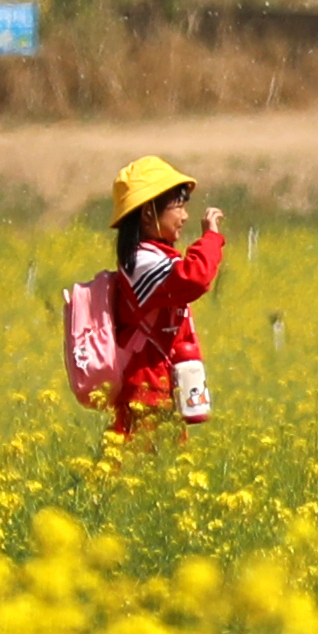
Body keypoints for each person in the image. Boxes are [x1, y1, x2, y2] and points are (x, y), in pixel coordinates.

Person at [105, 156, 224, 439]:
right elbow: (194, 278)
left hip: (161, 387)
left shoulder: (154, 257)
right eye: (178, 206)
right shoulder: (141, 261)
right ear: (148, 213)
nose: (184, 216)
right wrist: (210, 239)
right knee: (135, 469)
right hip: (145, 390)